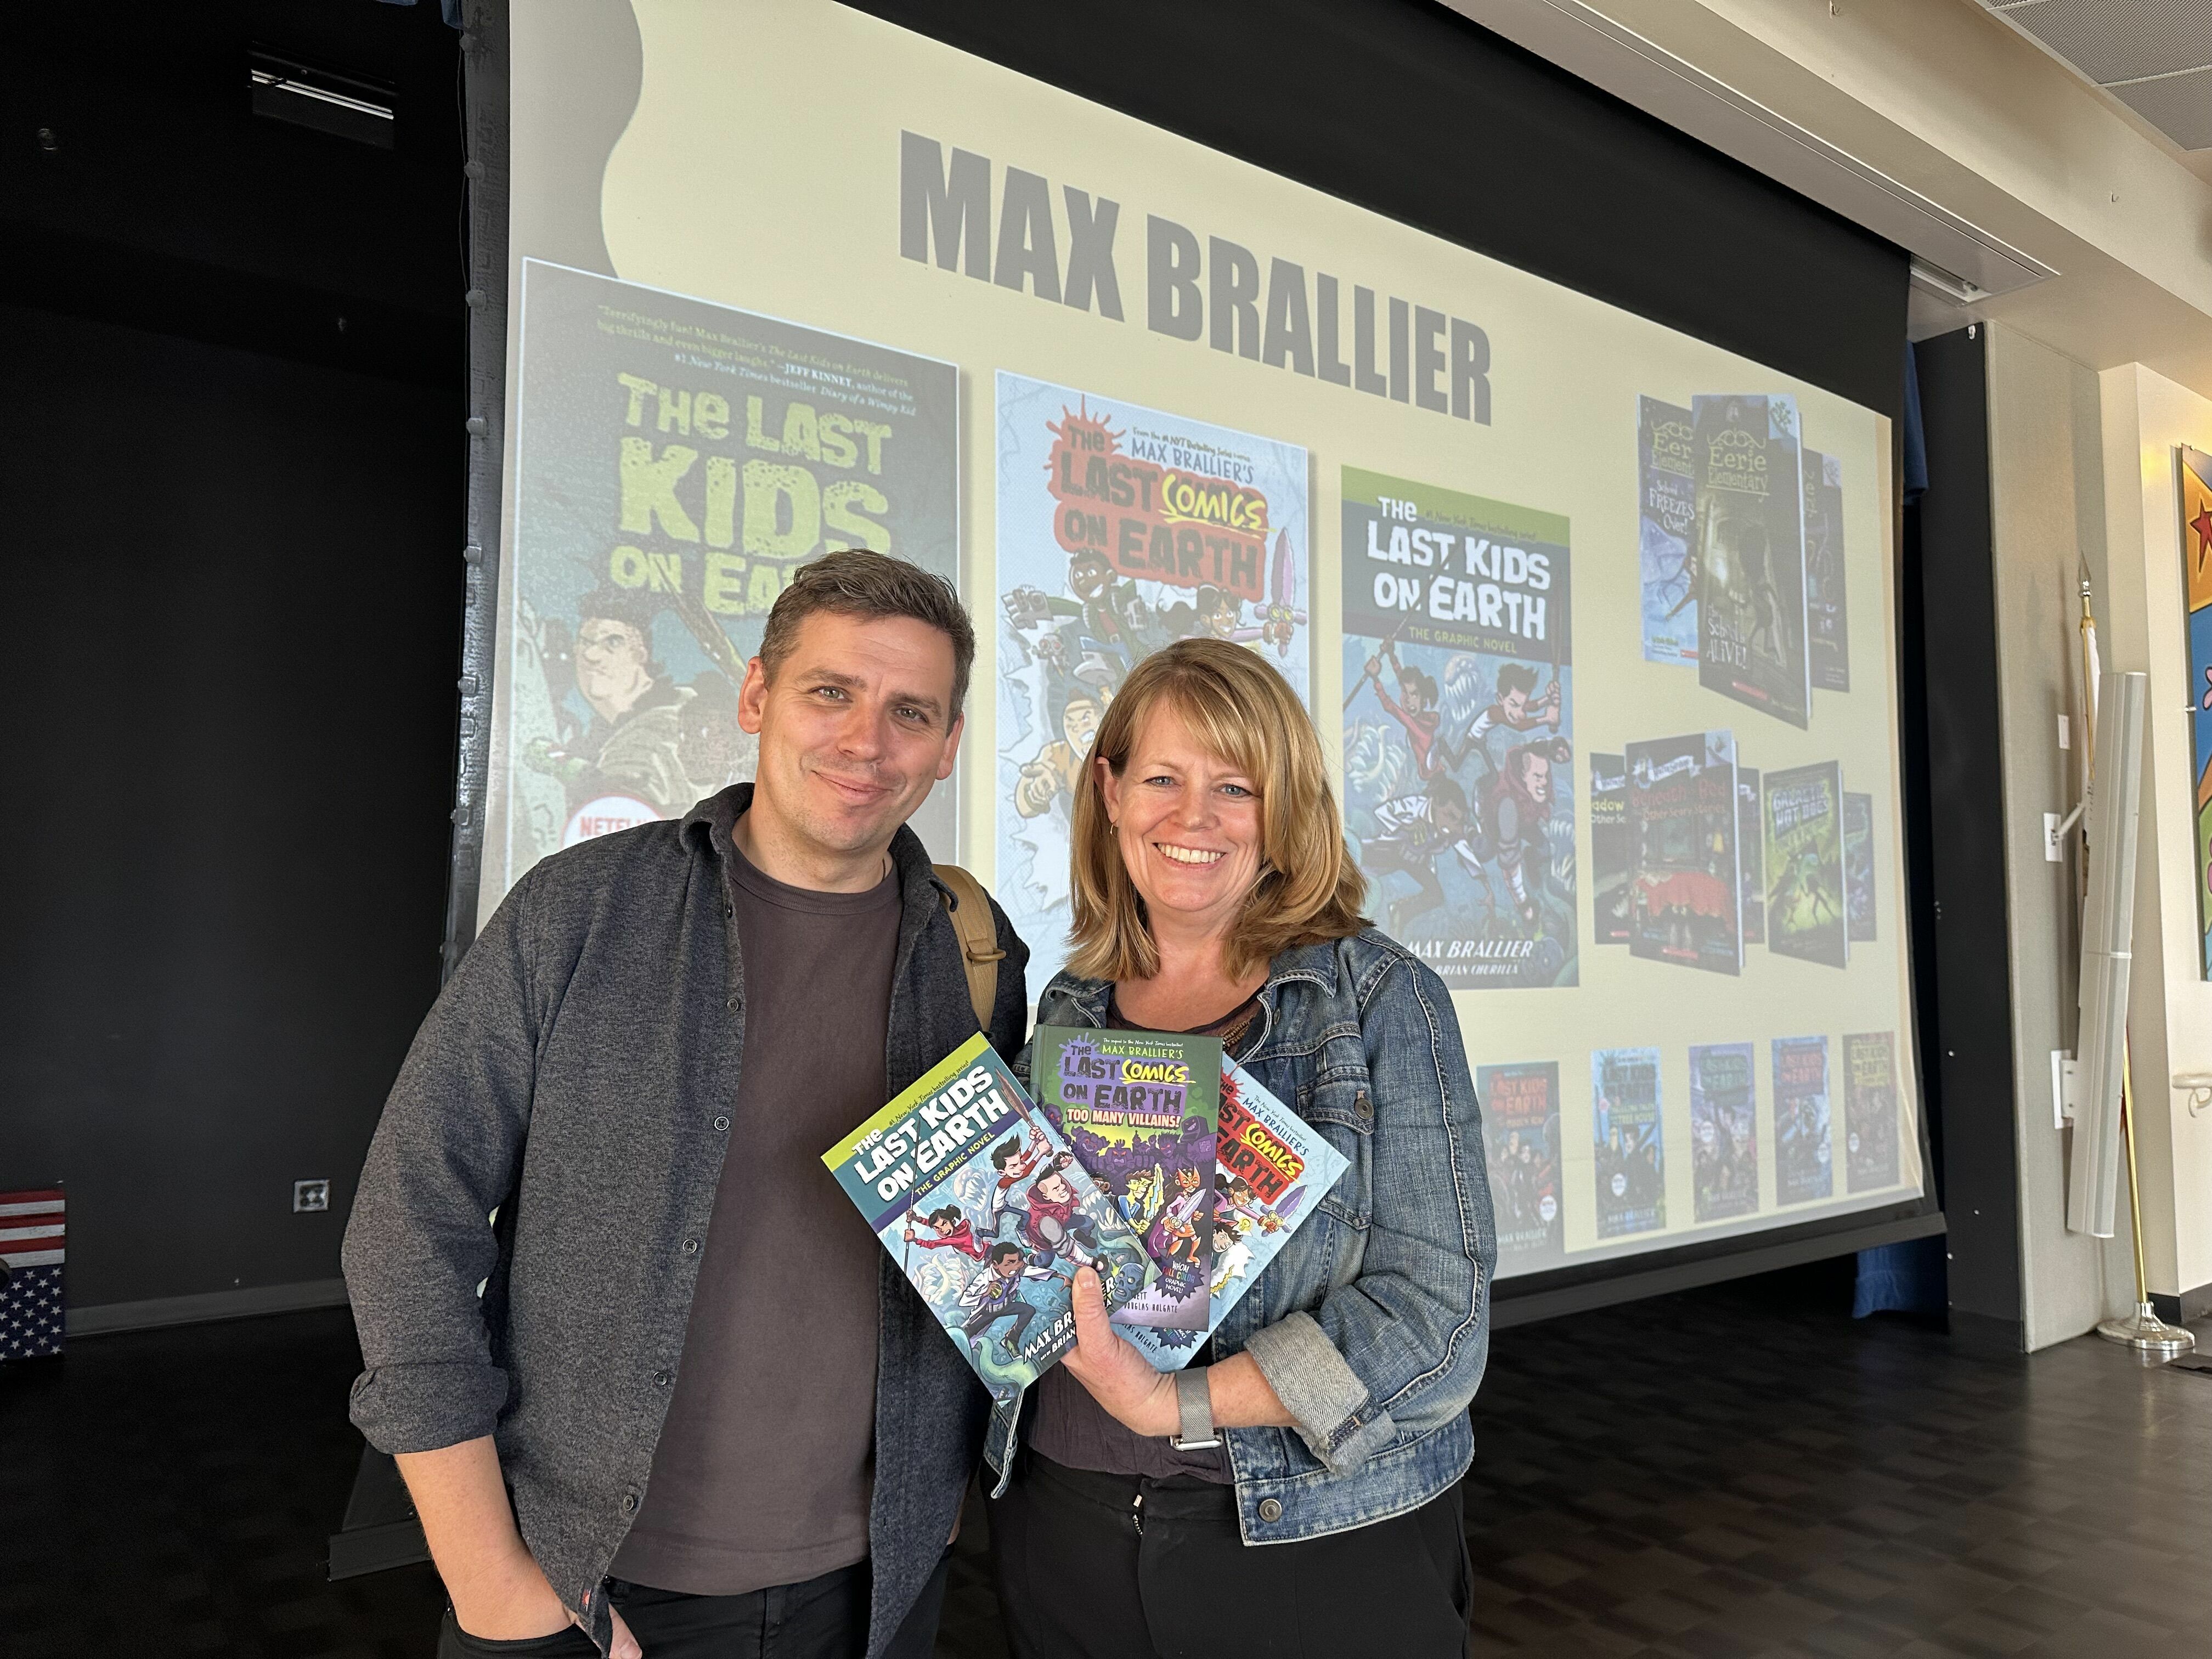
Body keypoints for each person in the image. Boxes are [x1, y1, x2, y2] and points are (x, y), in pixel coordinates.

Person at [342, 550, 1028, 1659]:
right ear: (757, 695)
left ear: (949, 746)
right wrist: (489, 1580)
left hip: (878, 1590)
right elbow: (407, 1220)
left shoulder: (976, 954)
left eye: (912, 711)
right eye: (830, 692)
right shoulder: (581, 911)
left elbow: (989, 1251)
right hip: (584, 1583)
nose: (866, 741)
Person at [986, 637, 1495, 1659]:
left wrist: (1168, 1400)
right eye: (1163, 778)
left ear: (1285, 811)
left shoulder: (1380, 1001)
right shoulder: (1070, 1009)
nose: (1193, 818)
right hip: (1065, 1527)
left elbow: (1438, 1329)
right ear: (1111, 791)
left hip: (1308, 1541)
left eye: (1235, 786)